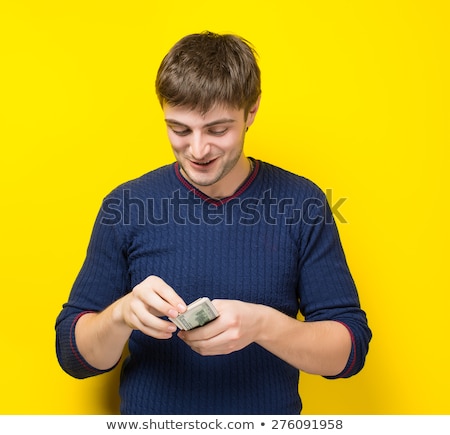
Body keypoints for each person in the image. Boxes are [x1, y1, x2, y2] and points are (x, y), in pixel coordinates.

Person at [55, 31, 371, 415]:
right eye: (180, 129)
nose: (198, 150)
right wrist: (120, 315)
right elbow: (73, 356)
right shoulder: (126, 205)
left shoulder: (302, 203)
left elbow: (350, 350)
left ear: (251, 111)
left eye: (218, 130)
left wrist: (262, 326)